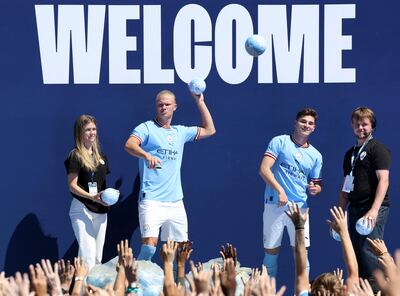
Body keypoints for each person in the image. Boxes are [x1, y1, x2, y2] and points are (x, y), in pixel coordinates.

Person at [124, 89, 216, 261]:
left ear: (175, 106)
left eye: (167, 104)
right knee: (149, 248)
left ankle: (174, 287)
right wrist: (146, 155)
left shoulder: (180, 132)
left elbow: (210, 130)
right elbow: (129, 145)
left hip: (175, 202)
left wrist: (200, 102)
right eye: (160, 105)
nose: (163, 107)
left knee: (180, 253)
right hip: (151, 200)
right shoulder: (146, 128)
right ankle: (135, 284)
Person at [259, 108, 322, 278]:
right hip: (275, 204)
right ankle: (268, 291)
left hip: (300, 210)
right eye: (303, 121)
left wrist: (316, 189)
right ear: (295, 123)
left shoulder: (316, 156)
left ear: (314, 128)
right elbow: (264, 169)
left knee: (301, 256)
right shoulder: (279, 142)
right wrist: (280, 190)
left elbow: (316, 184)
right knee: (270, 255)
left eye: (310, 123)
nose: (306, 125)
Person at [338, 107, 391, 290]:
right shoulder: (349, 154)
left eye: (365, 124)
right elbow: (346, 185)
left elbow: (383, 181)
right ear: (352, 126)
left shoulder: (378, 149)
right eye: (357, 124)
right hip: (354, 208)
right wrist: (340, 212)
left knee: (369, 254)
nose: (361, 127)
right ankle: (360, 292)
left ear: (372, 126)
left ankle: (377, 292)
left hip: (372, 209)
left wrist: (374, 210)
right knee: (355, 255)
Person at [64, 114, 112, 270]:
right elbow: (72, 185)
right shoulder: (75, 156)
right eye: (87, 130)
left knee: (97, 258)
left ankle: (87, 291)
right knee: (88, 255)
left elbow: (102, 185)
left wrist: (109, 196)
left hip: (100, 210)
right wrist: (91, 196)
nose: (92, 133)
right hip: (81, 209)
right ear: (80, 133)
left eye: (94, 129)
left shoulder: (101, 157)